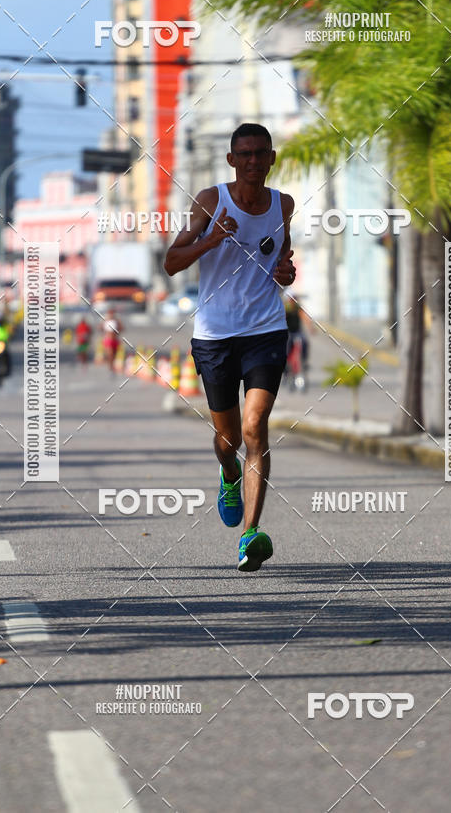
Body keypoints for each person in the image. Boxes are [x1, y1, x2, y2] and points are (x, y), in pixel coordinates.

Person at [164, 123, 296, 572]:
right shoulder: (209, 201)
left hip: (265, 330)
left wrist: (284, 270)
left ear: (272, 158)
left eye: (261, 153)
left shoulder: (283, 204)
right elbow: (171, 262)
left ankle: (250, 537)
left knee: (256, 427)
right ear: (231, 160)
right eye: (245, 154)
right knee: (229, 440)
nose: (253, 162)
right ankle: (229, 473)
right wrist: (212, 239)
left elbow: (282, 254)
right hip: (216, 336)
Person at [101, 308, 123, 373]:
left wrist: (117, 330)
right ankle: (110, 366)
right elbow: (100, 327)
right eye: (110, 313)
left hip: (115, 340)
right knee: (110, 353)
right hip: (108, 339)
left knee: (114, 354)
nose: (111, 314)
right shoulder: (105, 320)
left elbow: (122, 328)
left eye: (112, 313)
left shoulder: (116, 321)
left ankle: (112, 364)